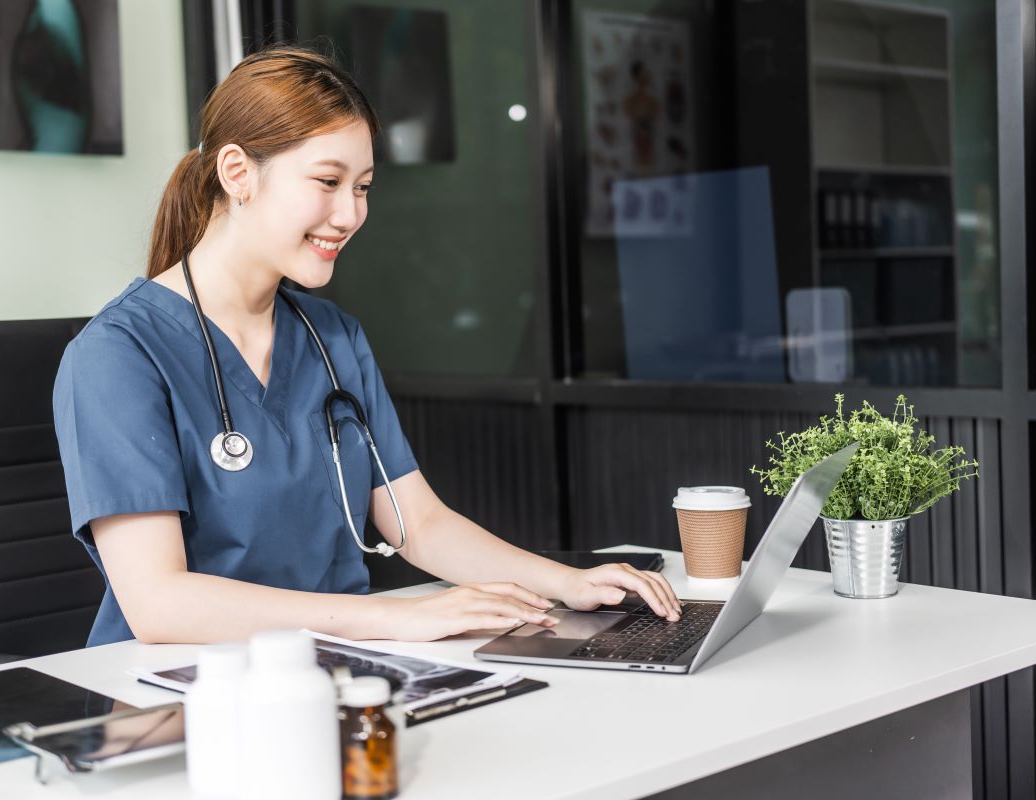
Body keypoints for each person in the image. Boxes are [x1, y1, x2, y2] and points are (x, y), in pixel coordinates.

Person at [53, 45, 681, 647]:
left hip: (343, 665)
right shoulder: (118, 355)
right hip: (185, 694)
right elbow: (158, 603)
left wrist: (568, 583)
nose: (351, 214)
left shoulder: (332, 339)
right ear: (237, 172)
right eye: (328, 181)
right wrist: (389, 617)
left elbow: (420, 525)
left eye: (363, 187)